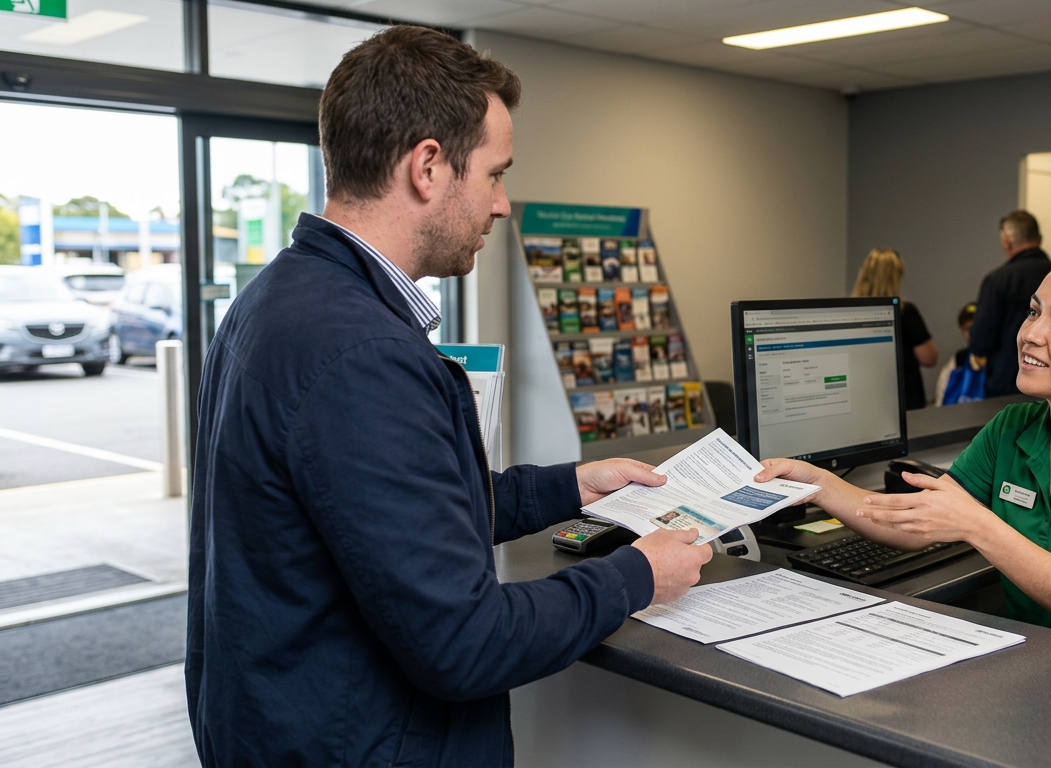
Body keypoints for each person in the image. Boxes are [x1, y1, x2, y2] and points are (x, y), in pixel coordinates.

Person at [185, 27, 712, 766]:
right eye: (495, 174)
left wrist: (565, 488)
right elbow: (465, 643)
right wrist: (637, 575)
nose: (502, 206)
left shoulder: (279, 296)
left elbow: (377, 519)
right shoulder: (363, 354)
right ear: (428, 166)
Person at [761, 250, 1051, 658]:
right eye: (1033, 313)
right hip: (1039, 667)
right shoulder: (1012, 429)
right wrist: (821, 484)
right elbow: (918, 523)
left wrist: (977, 525)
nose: (1030, 334)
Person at [969, 210, 1051, 398]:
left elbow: (981, 343)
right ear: (1039, 238)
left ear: (1007, 241)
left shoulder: (997, 280)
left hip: (1007, 384)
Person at [851, 247, 938, 409]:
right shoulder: (905, 312)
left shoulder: (851, 313)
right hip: (904, 399)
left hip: (865, 397)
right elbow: (929, 357)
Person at [937, 302, 978, 404]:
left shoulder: (999, 360)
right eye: (968, 329)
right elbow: (942, 393)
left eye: (976, 327)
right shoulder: (959, 358)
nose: (972, 333)